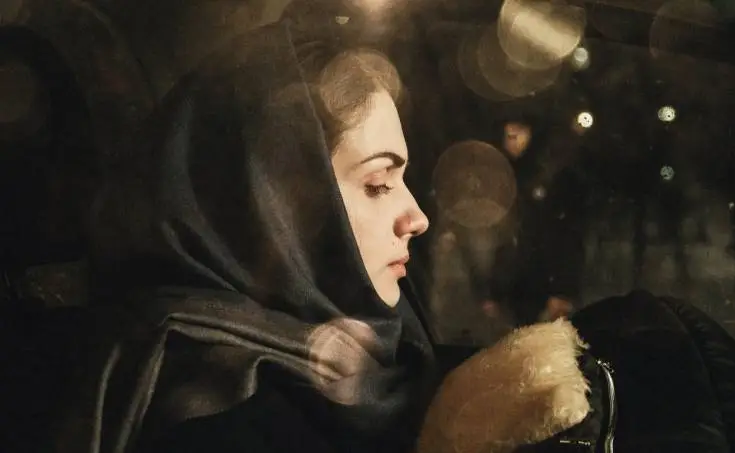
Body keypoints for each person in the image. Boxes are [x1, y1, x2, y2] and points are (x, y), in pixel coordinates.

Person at [46, 17, 593, 453]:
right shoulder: (218, 414)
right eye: (378, 184)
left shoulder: (378, 362)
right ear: (277, 207)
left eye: (404, 180)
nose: (417, 217)